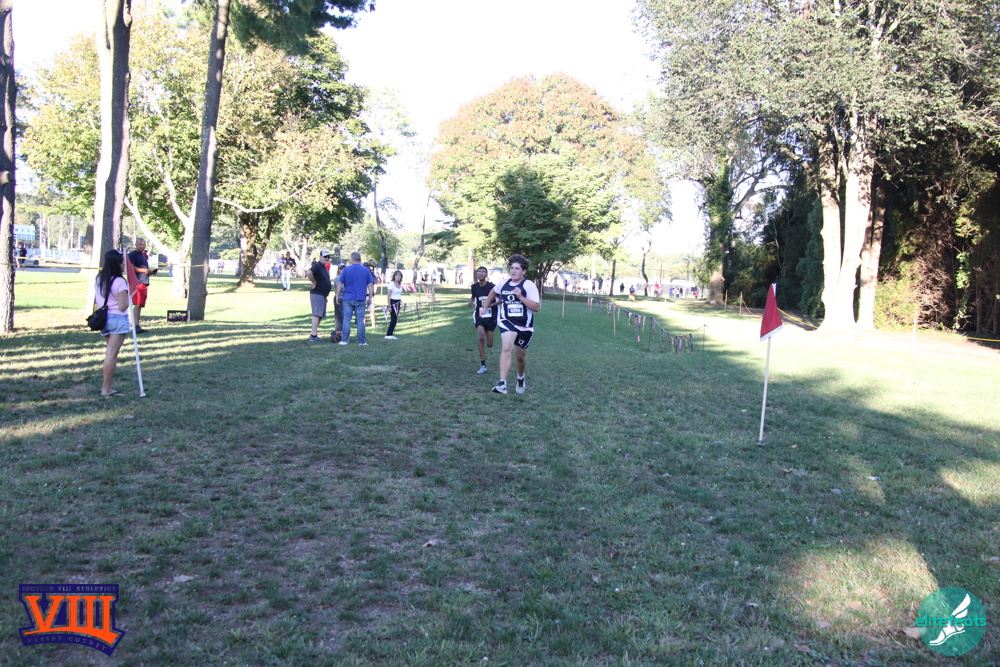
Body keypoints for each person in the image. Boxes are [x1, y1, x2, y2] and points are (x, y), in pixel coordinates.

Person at [480, 254, 540, 395]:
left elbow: (536, 307)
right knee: (506, 347)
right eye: (512, 268)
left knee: (520, 357)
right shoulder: (504, 284)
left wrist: (520, 297)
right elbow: (492, 292)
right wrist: (486, 307)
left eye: (517, 268)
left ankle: (520, 377)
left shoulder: (528, 285)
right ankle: (502, 384)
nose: (513, 271)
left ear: (524, 271)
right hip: (506, 321)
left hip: (524, 326)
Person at [94, 250, 132, 396]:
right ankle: (106, 389)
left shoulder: (99, 279)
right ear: (118, 263)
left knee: (110, 353)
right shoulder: (120, 281)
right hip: (117, 319)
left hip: (104, 319)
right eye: (123, 262)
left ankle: (106, 387)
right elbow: (123, 306)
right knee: (111, 355)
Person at [336, 251, 375, 346]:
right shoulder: (366, 270)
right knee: (360, 321)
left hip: (348, 298)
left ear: (352, 259)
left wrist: (337, 296)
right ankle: (362, 341)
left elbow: (340, 284)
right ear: (360, 259)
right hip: (361, 298)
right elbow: (370, 284)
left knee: (346, 320)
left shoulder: (346, 270)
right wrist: (370, 297)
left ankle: (344, 340)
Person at [468, 266, 496, 374]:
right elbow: (473, 296)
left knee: (489, 344)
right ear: (476, 274)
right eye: (479, 272)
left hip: (491, 317)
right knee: (480, 337)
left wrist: (490, 305)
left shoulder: (492, 287)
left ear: (486, 274)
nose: (481, 273)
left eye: (483, 272)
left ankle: (489, 337)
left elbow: (501, 299)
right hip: (479, 315)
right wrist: (471, 301)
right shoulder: (474, 286)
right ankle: (483, 365)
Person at [127, 238, 157, 334]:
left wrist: (151, 272)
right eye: (140, 244)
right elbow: (131, 268)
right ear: (135, 244)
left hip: (144, 282)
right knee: (137, 303)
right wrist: (145, 271)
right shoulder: (132, 255)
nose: (142, 246)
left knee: (140, 304)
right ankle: (135, 325)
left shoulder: (143, 256)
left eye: (144, 244)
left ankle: (137, 324)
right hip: (137, 282)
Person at [305, 250, 332, 342]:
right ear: (320, 257)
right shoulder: (317, 265)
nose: (327, 258)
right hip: (317, 293)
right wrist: (314, 282)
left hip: (322, 295)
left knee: (319, 315)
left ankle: (314, 334)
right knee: (317, 315)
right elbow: (309, 272)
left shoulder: (323, 267)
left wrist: (325, 296)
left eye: (328, 257)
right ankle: (313, 335)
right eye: (325, 256)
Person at [385, 270, 404, 339]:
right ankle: (388, 334)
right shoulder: (391, 284)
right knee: (394, 319)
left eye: (399, 275)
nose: (398, 276)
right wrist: (389, 306)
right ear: (394, 276)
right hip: (392, 302)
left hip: (398, 302)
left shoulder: (400, 284)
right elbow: (388, 296)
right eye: (396, 275)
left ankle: (391, 333)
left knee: (395, 319)